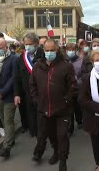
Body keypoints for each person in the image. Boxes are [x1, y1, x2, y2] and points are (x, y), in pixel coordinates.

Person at [30, 39, 77, 171]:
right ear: (43, 50)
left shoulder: (66, 66)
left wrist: (66, 101)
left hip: (63, 110)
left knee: (62, 136)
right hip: (44, 109)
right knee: (52, 135)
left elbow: (73, 87)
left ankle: (63, 161)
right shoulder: (37, 66)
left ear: (57, 50)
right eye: (47, 50)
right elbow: (32, 85)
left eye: (52, 50)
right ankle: (56, 152)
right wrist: (36, 100)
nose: (49, 53)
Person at [14, 33, 44, 137]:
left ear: (36, 44)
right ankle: (34, 133)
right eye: (25, 44)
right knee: (31, 115)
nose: (27, 47)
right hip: (27, 93)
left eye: (29, 44)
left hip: (42, 93)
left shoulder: (44, 55)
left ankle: (43, 133)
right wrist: (17, 94)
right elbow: (17, 78)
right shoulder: (21, 58)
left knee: (42, 116)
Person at [65, 43, 83, 134]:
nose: (70, 52)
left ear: (76, 51)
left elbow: (83, 75)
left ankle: (79, 121)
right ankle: (70, 128)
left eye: (72, 50)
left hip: (78, 89)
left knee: (78, 107)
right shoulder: (64, 61)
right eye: (68, 50)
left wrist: (77, 80)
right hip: (68, 90)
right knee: (69, 109)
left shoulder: (80, 61)